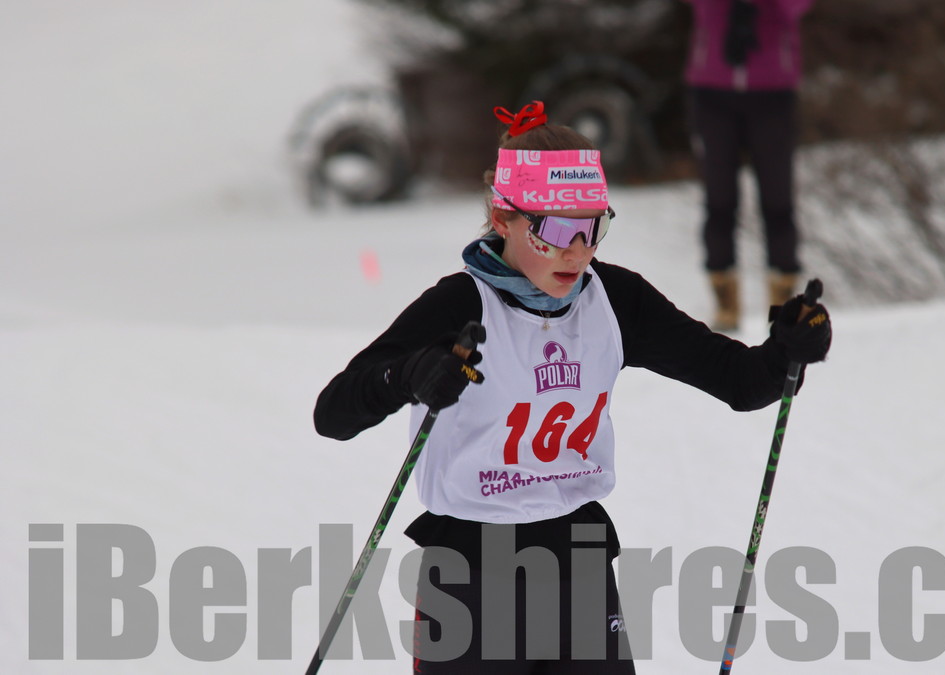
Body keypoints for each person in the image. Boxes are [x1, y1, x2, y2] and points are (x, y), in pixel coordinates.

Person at [312, 100, 831, 673]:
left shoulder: (615, 300)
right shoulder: (460, 306)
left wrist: (790, 351)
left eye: (593, 229)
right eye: (557, 230)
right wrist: (408, 375)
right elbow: (334, 413)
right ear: (503, 218)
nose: (577, 251)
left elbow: (743, 382)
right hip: (470, 574)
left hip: (579, 566)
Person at [682, 0, 816, 331]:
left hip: (773, 91)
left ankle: (783, 308)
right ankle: (725, 304)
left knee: (778, 200)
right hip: (711, 91)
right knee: (719, 201)